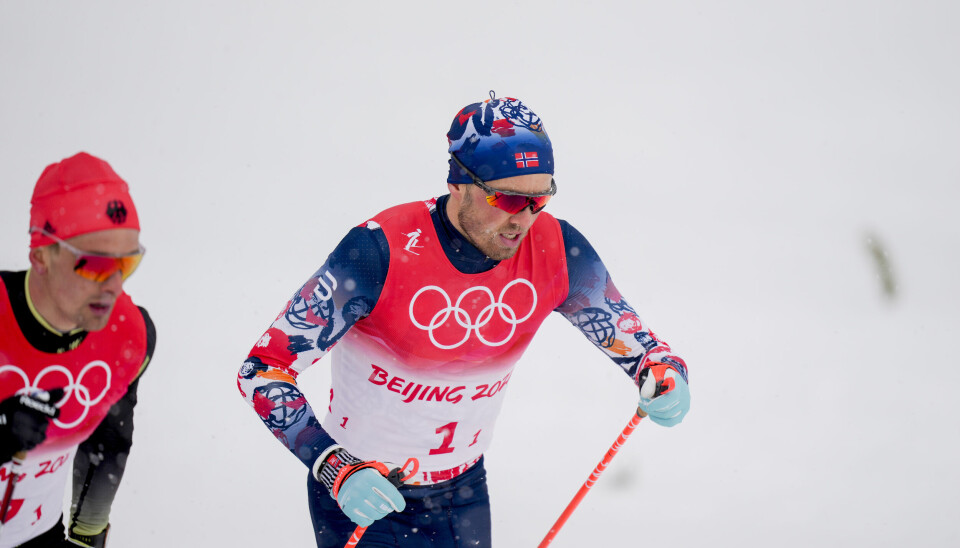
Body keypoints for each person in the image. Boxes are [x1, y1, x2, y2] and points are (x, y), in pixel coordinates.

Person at [238, 92, 691, 547]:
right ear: (459, 183)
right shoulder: (379, 251)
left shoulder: (555, 250)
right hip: (362, 492)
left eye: (540, 201)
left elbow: (641, 347)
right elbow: (264, 368)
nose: (525, 219)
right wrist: (335, 468)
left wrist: (663, 371)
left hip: (462, 492)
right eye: (509, 200)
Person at [0, 153, 155, 548]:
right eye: (94, 265)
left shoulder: (128, 335)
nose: (114, 284)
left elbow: (109, 443)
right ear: (40, 256)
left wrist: (88, 537)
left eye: (126, 263)